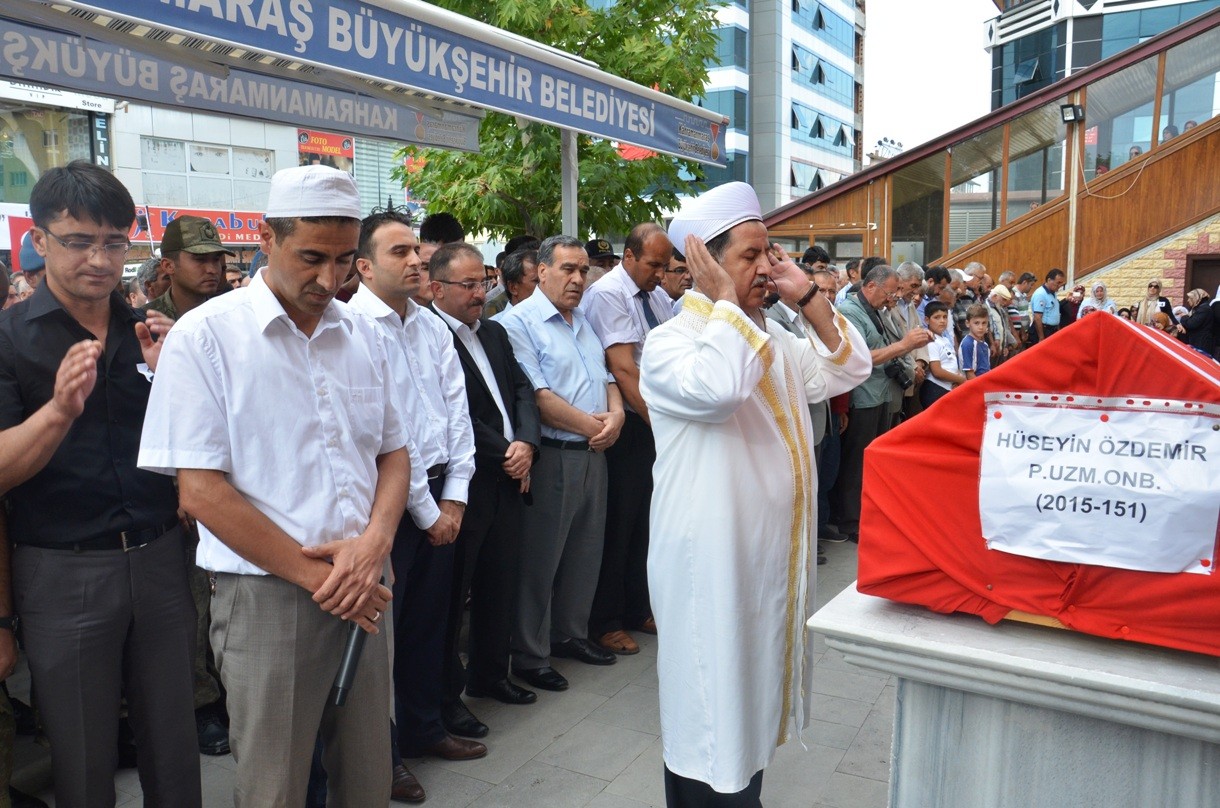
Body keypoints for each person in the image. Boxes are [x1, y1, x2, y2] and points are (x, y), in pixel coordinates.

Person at [139, 165, 409, 806]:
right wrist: (320, 577)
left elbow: (395, 452)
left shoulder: (362, 334)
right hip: (267, 596)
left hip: (367, 580)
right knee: (274, 786)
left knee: (368, 775)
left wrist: (373, 547)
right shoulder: (207, 338)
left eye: (345, 261)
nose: (329, 280)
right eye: (311, 258)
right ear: (266, 238)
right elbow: (200, 493)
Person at [639, 180, 870, 805]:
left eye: (772, 253)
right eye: (751, 257)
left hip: (765, 559)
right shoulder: (672, 343)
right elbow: (718, 391)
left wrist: (810, 296)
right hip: (712, 568)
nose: (768, 268)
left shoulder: (769, 339)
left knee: (746, 715)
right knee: (712, 717)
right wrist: (723, 302)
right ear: (705, 262)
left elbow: (848, 368)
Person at [0, 160, 198, 808]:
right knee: (82, 757)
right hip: (63, 569)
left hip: (160, 554)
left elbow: (189, 449)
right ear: (41, 239)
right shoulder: (11, 340)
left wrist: (173, 383)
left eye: (114, 242)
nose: (99, 258)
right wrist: (58, 410)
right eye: (79, 241)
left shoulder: (151, 333)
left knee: (174, 740)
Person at [347, 209, 482, 797]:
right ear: (364, 266)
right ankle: (386, 750)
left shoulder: (430, 326)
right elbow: (388, 434)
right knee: (386, 641)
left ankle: (426, 727)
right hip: (388, 508)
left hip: (440, 500)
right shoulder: (352, 328)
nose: (415, 262)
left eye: (416, 253)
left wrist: (454, 498)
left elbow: (457, 414)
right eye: (399, 252)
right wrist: (430, 514)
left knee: (432, 628)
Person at [501, 235, 624, 693]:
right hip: (552, 457)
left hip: (594, 454)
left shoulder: (583, 321)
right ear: (542, 270)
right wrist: (600, 429)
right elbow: (540, 400)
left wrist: (614, 417)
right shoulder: (518, 324)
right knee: (541, 560)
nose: (578, 279)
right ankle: (531, 655)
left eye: (583, 270)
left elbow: (608, 377)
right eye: (568, 269)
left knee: (585, 553)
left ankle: (571, 634)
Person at [429, 242, 541, 711]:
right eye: (468, 284)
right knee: (455, 598)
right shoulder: (430, 336)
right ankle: (447, 697)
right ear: (436, 288)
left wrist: (528, 443)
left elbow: (522, 390)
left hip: (510, 479)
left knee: (501, 582)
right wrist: (507, 451)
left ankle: (491, 675)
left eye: (485, 281)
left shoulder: (493, 333)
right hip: (466, 484)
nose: (480, 292)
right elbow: (453, 415)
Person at [582, 223, 674, 656]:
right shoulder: (609, 294)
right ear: (629, 257)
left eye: (664, 265)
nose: (660, 273)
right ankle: (606, 619)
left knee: (647, 523)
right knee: (619, 525)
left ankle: (639, 607)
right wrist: (659, 423)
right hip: (633, 420)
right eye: (653, 264)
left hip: (655, 417)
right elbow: (623, 367)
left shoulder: (656, 296)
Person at [834, 265, 931, 542]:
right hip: (864, 396)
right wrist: (905, 345)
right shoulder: (852, 312)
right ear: (871, 286)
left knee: (873, 458)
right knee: (856, 461)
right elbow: (861, 357)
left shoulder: (877, 309)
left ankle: (867, 514)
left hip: (882, 393)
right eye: (890, 292)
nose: (893, 298)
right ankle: (851, 521)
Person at [143, 216, 234, 320]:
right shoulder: (145, 321)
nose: (212, 270)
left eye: (216, 259)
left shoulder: (229, 316)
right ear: (168, 266)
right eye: (200, 260)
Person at [920, 301, 966, 408]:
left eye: (945, 317)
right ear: (927, 320)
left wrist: (957, 378)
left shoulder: (945, 339)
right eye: (937, 317)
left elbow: (950, 363)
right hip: (935, 388)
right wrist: (961, 380)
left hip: (948, 387)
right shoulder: (930, 340)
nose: (942, 321)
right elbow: (937, 371)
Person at [488, 249, 539, 321]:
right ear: (513, 288)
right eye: (537, 281)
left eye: (546, 281)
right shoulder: (497, 327)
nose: (545, 286)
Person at [1028, 268, 1064, 344]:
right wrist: (1041, 338)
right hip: (1044, 331)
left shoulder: (1053, 293)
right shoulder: (1041, 294)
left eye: (1061, 283)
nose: (1060, 285)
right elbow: (1037, 317)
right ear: (1049, 280)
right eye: (1058, 283)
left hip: (1052, 330)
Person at [959, 304, 991, 380]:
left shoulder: (985, 345)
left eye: (984, 323)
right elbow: (969, 374)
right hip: (974, 386)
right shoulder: (968, 344)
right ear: (967, 323)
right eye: (976, 323)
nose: (981, 327)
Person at [1181, 288, 1216, 356]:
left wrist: (1184, 316)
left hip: (1201, 343)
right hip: (1198, 341)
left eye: (1190, 298)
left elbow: (1191, 324)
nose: (1188, 300)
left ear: (1196, 298)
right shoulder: (1198, 308)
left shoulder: (1204, 309)